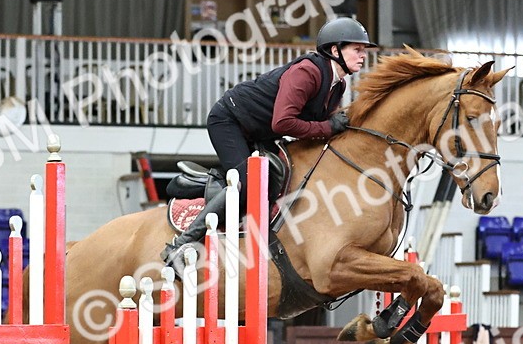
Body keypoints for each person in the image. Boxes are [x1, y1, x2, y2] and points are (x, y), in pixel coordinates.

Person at [161, 17, 378, 268]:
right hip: (230, 121)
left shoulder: (338, 84)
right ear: (334, 50)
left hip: (261, 132)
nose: (363, 56)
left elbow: (321, 125)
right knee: (249, 183)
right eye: (357, 49)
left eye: (364, 50)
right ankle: (182, 244)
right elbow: (283, 123)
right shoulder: (307, 72)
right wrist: (328, 127)